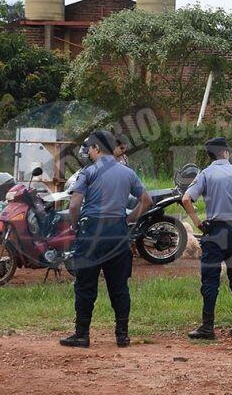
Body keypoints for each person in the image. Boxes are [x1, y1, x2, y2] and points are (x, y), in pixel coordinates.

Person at [60, 130, 152, 348]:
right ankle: (122, 335)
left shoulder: (87, 172)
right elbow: (146, 200)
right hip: (118, 233)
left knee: (85, 285)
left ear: (97, 148)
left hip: (92, 232)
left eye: (90, 149)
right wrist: (128, 219)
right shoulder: (128, 173)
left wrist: (76, 224)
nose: (89, 153)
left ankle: (82, 335)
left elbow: (74, 205)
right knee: (119, 286)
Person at [182, 137, 232, 340]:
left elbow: (186, 199)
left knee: (210, 279)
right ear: (226, 152)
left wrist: (198, 223)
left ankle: (207, 327)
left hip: (214, 231)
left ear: (210, 154)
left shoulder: (206, 174)